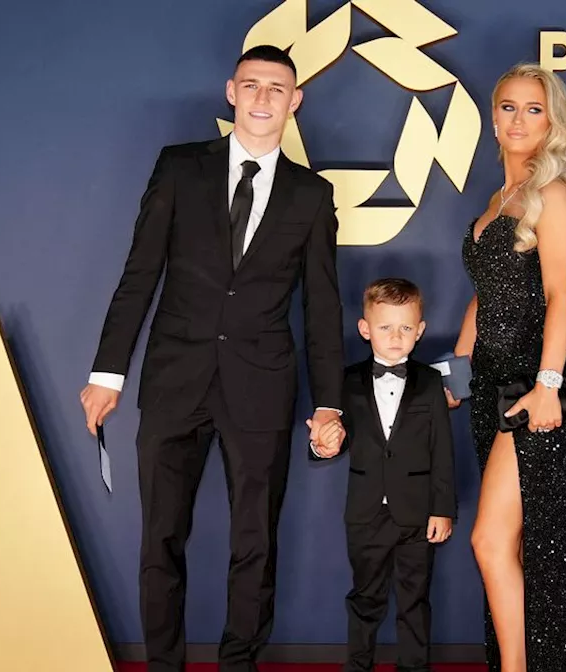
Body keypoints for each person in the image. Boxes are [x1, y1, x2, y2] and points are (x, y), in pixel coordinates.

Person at [78, 45, 346, 672]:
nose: (261, 99)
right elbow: (140, 273)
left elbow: (324, 306)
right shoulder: (179, 168)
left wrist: (328, 401)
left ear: (295, 101)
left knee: (255, 542)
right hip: (174, 381)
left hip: (262, 388)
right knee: (161, 539)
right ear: (231, 91)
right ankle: (163, 665)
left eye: (276, 89)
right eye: (251, 85)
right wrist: (107, 373)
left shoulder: (312, 194)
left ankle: (239, 664)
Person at [450, 63, 566, 671]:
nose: (519, 119)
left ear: (552, 121)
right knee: (509, 543)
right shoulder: (499, 199)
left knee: (492, 540)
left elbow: (561, 298)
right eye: (509, 107)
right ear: (494, 119)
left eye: (533, 109)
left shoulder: (556, 197)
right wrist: (454, 374)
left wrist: (547, 386)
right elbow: (483, 295)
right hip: (489, 378)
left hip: (533, 383)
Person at [311, 277, 457, 672]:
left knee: (415, 599)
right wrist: (321, 443)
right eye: (385, 327)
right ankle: (358, 666)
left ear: (420, 331)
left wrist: (443, 509)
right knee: (365, 597)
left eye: (406, 328)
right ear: (364, 329)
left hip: (418, 511)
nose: (396, 337)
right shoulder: (345, 382)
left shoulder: (430, 384)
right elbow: (330, 439)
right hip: (365, 512)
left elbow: (443, 450)